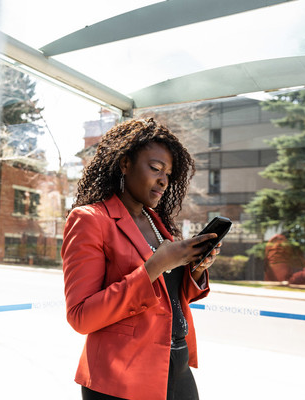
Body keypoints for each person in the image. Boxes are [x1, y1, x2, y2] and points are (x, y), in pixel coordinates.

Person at [61, 118, 221, 400]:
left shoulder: (156, 221)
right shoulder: (90, 220)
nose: (163, 180)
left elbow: (168, 296)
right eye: (156, 168)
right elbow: (81, 317)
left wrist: (195, 269)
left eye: (168, 174)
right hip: (120, 376)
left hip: (176, 365)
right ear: (125, 164)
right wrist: (156, 265)